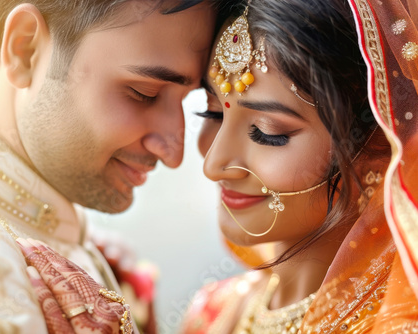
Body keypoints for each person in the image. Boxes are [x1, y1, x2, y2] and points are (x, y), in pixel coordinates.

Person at [0, 0, 236, 333]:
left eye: (190, 102)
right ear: (24, 49)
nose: (174, 155)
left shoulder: (84, 243)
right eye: (143, 93)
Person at [179, 0, 418, 333]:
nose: (213, 164)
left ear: (376, 146)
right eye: (213, 114)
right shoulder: (210, 314)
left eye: (267, 132)